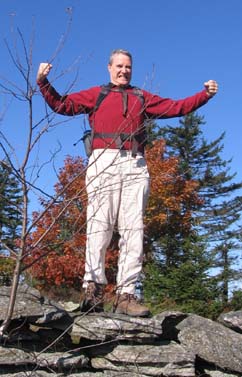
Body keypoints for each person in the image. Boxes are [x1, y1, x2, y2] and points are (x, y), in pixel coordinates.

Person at [37, 49, 218, 317]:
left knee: (134, 229)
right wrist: (43, 81)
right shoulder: (96, 94)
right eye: (119, 66)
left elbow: (176, 107)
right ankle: (94, 291)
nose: (124, 71)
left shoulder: (141, 97)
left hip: (135, 163)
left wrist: (204, 95)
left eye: (128, 67)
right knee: (99, 227)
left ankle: (126, 294)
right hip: (103, 162)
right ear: (109, 67)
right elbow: (62, 105)